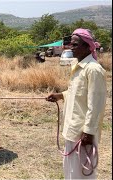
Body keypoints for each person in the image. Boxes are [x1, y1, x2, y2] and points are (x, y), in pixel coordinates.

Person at [46, 28, 107, 179]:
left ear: (87, 46)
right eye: (70, 44)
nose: (71, 47)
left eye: (75, 44)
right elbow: (77, 93)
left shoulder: (93, 70)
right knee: (71, 172)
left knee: (83, 173)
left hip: (82, 133)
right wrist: (61, 95)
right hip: (72, 129)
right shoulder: (77, 66)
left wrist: (89, 132)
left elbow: (96, 104)